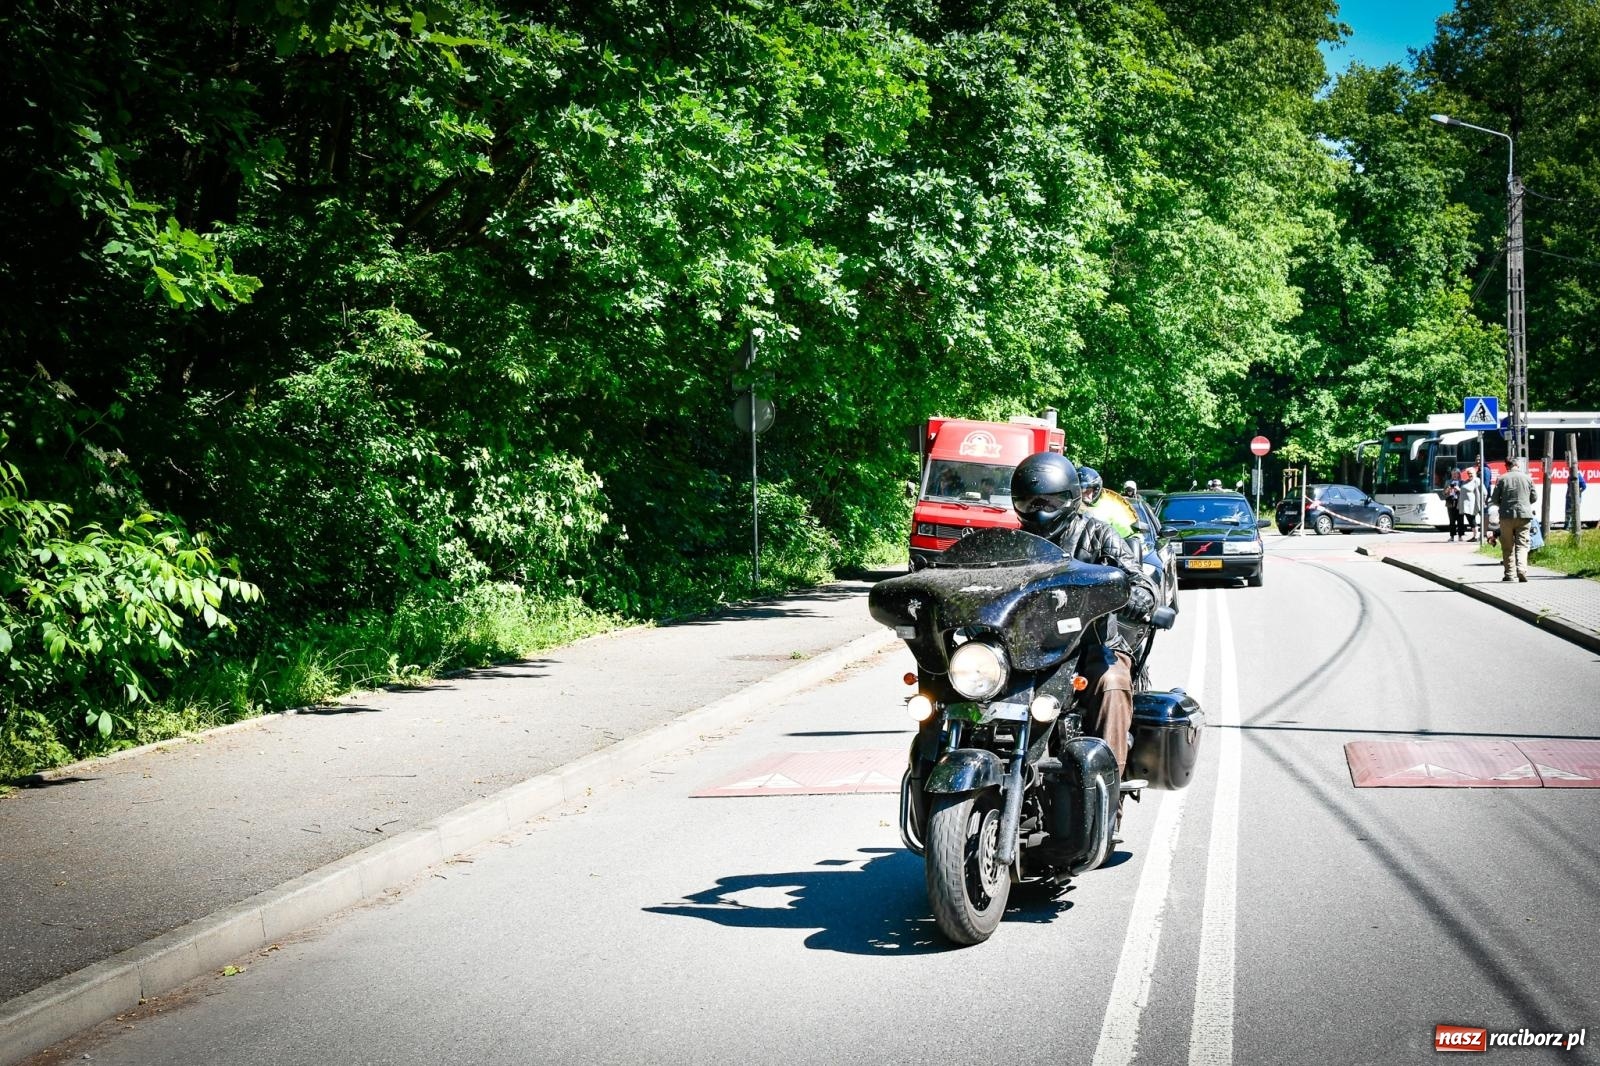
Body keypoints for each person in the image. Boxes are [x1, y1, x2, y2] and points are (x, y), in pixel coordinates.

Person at [1011, 453, 1157, 789]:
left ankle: (1108, 793)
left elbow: (1136, 574)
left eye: (1049, 500)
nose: (1040, 509)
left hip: (1092, 645)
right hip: (1026, 648)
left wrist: (1139, 594)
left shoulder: (1098, 534)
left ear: (1071, 498)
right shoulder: (1012, 543)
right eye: (1029, 501)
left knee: (1112, 683)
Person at [1490, 455, 1539, 582]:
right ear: (1517, 465)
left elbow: (1494, 499)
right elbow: (1534, 497)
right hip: (1524, 515)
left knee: (1507, 546)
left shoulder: (1502, 479)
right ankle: (1522, 570)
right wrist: (1524, 504)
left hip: (1506, 516)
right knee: (1522, 544)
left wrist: (1504, 504)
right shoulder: (1527, 478)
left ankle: (1510, 574)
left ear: (1506, 465)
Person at [1078, 465, 1136, 539]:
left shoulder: (1111, 509)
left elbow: (1130, 537)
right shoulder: (1067, 507)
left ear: (1096, 490)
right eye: (1080, 491)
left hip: (1102, 550)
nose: (1083, 495)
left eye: (1087, 491)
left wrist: (1136, 540)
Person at [1457, 467, 1484, 542]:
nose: (1470, 475)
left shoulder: (1477, 481)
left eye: (1471, 473)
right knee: (1470, 520)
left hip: (1472, 504)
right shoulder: (1466, 481)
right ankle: (1475, 536)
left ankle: (1477, 536)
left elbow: (1483, 492)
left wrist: (1482, 501)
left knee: (1472, 520)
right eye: (1468, 473)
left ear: (1475, 473)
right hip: (1465, 505)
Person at [1443, 474, 1462, 541]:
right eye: (1453, 474)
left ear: (1458, 474)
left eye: (1456, 474)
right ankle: (1452, 536)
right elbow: (1444, 493)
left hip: (1459, 502)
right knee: (1451, 520)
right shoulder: (1448, 482)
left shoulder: (1461, 482)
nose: (1454, 475)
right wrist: (1447, 490)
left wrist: (1459, 489)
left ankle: (1460, 536)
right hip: (1450, 501)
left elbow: (1464, 493)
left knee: (1460, 520)